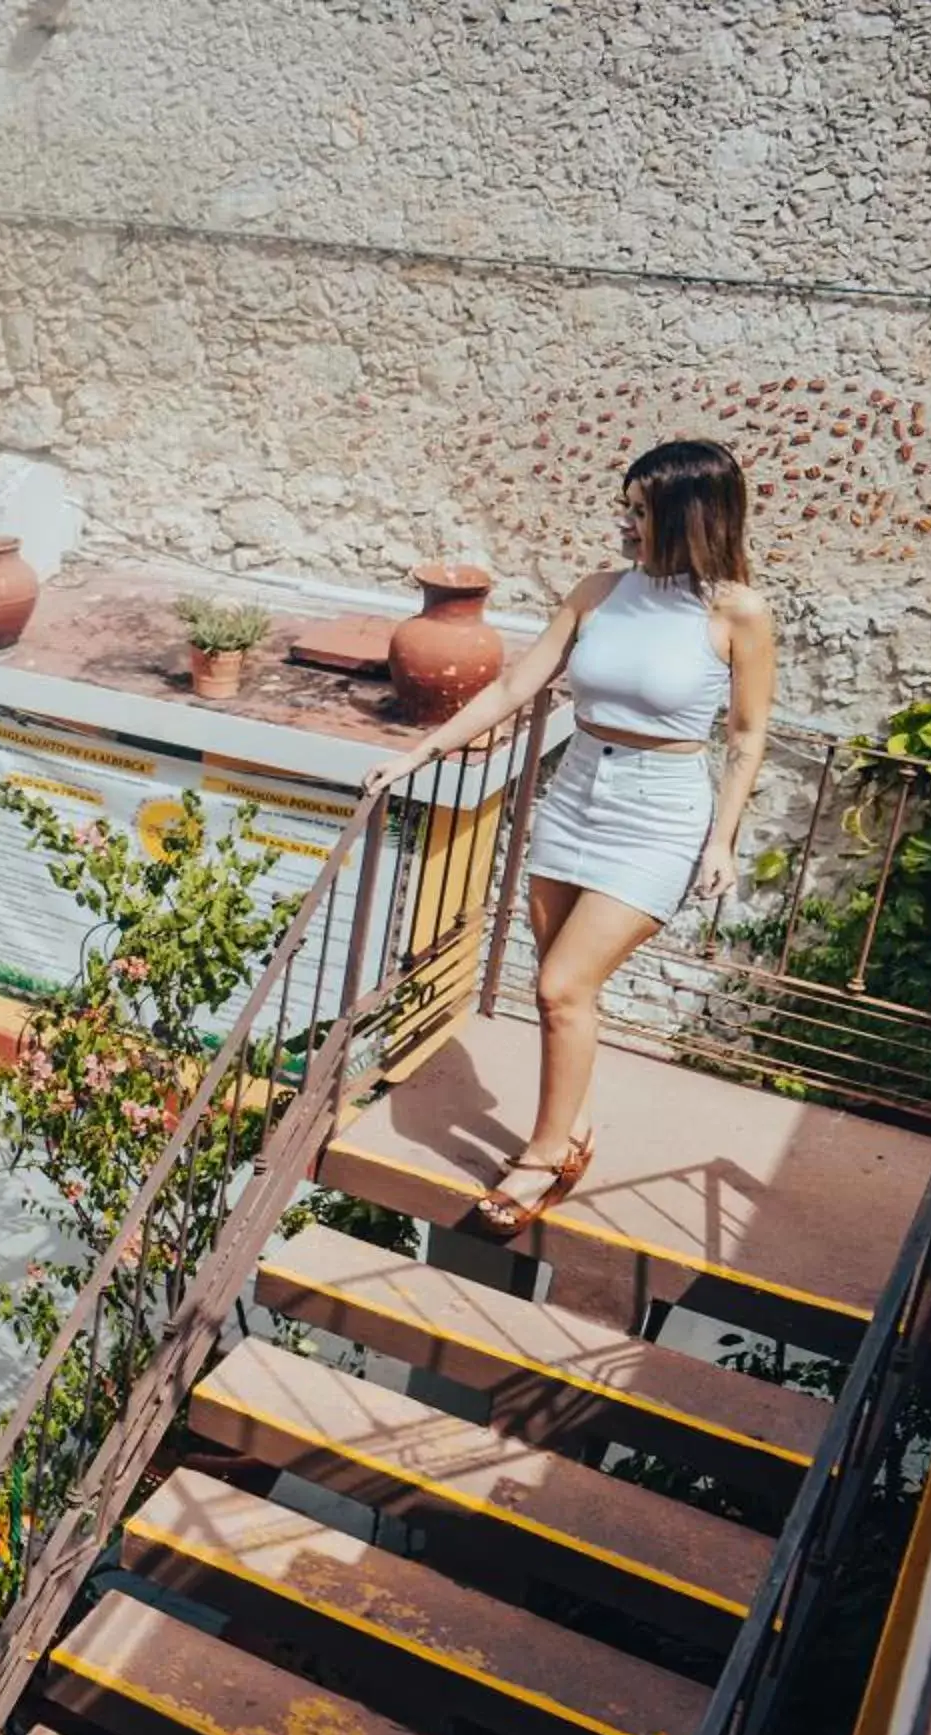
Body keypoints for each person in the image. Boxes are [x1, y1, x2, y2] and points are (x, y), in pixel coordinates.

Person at [364, 440, 776, 1235]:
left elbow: (749, 733)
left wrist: (722, 839)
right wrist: (418, 752)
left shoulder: (738, 613)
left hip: (659, 810)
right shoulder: (599, 591)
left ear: (688, 518)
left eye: (639, 512)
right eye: (624, 508)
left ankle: (544, 1156)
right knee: (558, 989)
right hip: (578, 790)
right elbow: (521, 685)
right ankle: (574, 1130)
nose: (623, 525)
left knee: (562, 986)